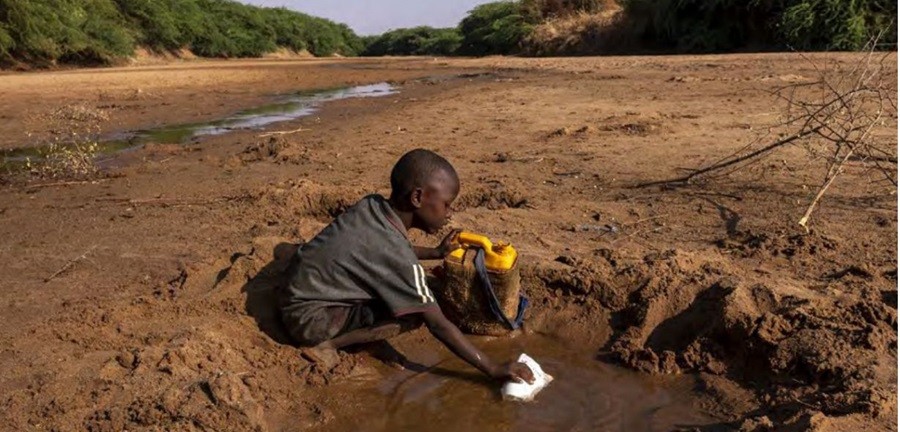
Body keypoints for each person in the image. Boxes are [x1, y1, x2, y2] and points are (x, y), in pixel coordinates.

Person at [279, 148, 534, 384]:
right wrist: (493, 368)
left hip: (297, 293)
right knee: (416, 312)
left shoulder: (372, 206)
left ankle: (362, 337)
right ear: (417, 197)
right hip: (309, 321)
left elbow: (382, 251)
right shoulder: (396, 253)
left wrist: (435, 253)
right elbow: (437, 324)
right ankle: (329, 344)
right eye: (446, 204)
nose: (449, 213)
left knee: (401, 294)